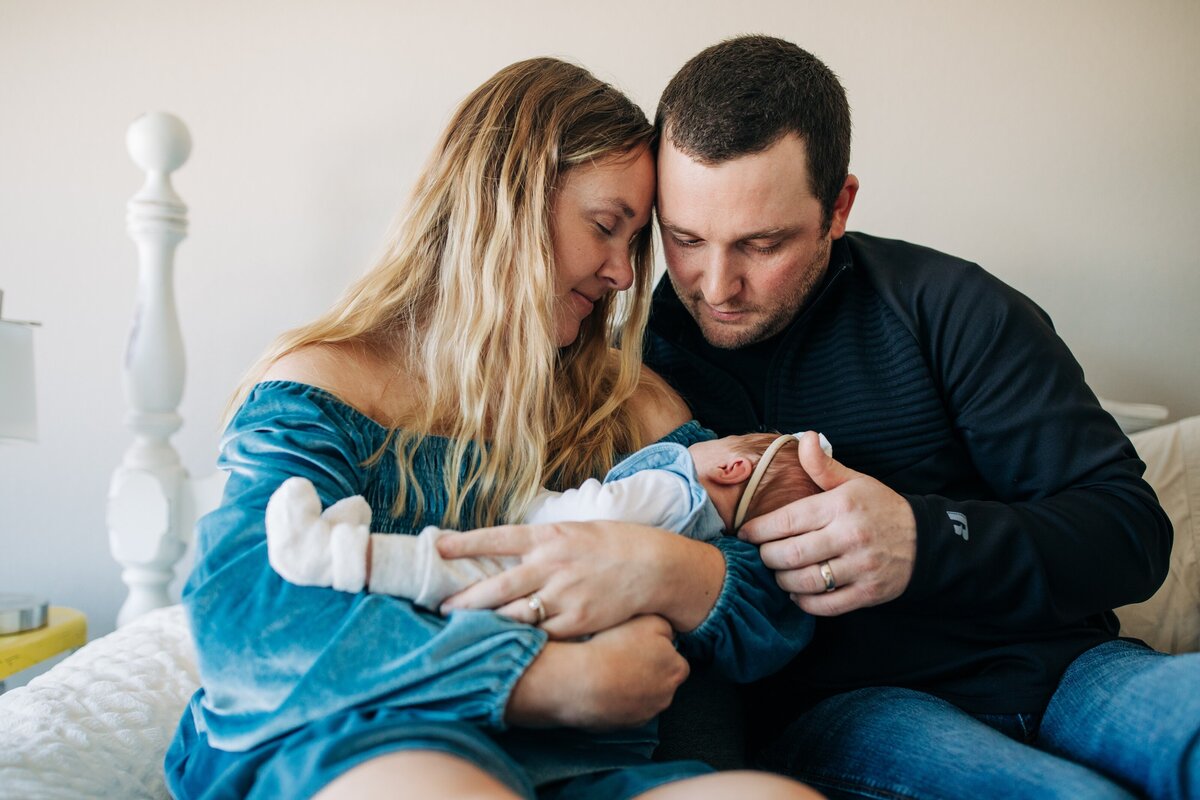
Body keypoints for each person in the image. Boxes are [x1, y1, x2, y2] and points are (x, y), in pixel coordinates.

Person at [163, 56, 820, 800]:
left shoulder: (626, 403)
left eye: (635, 243)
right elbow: (251, 625)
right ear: (504, 201)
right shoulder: (326, 385)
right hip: (353, 742)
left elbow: (782, 601)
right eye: (606, 228)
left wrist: (669, 571)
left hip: (576, 770)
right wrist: (549, 679)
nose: (625, 275)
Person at [636, 34, 1196, 800]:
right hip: (857, 714)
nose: (717, 285)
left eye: (762, 244)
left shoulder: (948, 306)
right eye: (685, 239)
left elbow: (1132, 535)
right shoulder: (635, 374)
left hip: (1073, 672)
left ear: (839, 207)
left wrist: (924, 541)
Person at [263, 432, 827, 609]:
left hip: (537, 556)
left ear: (732, 466)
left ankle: (330, 556)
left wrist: (532, 502)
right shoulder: (703, 532)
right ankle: (348, 547)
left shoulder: (673, 491)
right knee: (439, 571)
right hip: (561, 592)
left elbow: (594, 511)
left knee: (441, 564)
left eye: (720, 440)